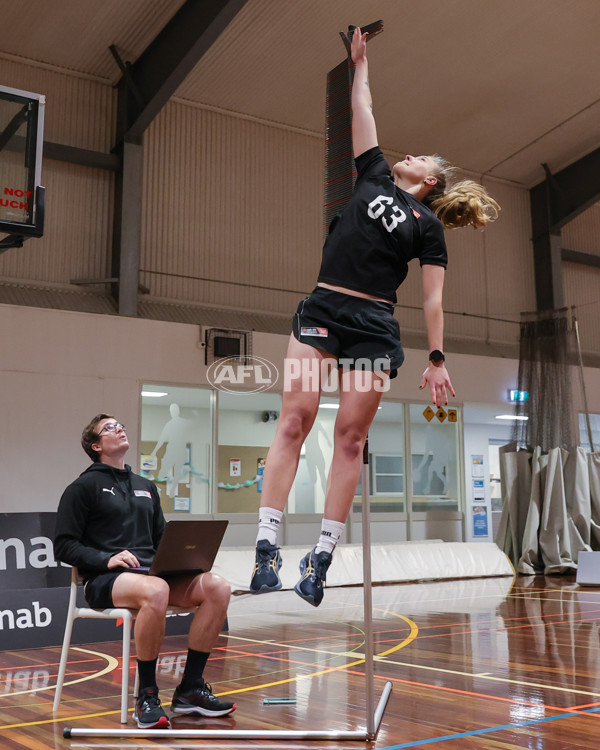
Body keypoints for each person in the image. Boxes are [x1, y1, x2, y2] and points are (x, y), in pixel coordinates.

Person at [249, 27, 500, 607]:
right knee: (295, 420)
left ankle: (322, 555)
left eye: (418, 157)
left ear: (430, 180)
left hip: (373, 330)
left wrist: (438, 357)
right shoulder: (373, 175)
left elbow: (433, 299)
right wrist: (359, 65)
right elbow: (361, 108)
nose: (405, 154)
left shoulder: (428, 227)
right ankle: (268, 545)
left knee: (350, 437)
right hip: (322, 314)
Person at [54, 414, 235, 729]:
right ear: (96, 445)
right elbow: (64, 546)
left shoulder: (146, 486)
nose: (119, 428)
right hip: (104, 580)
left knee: (217, 586)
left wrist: (185, 558)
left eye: (120, 424)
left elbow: (161, 537)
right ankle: (147, 696)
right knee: (157, 590)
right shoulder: (82, 487)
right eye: (109, 428)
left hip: (155, 574)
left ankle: (191, 688)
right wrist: (105, 558)